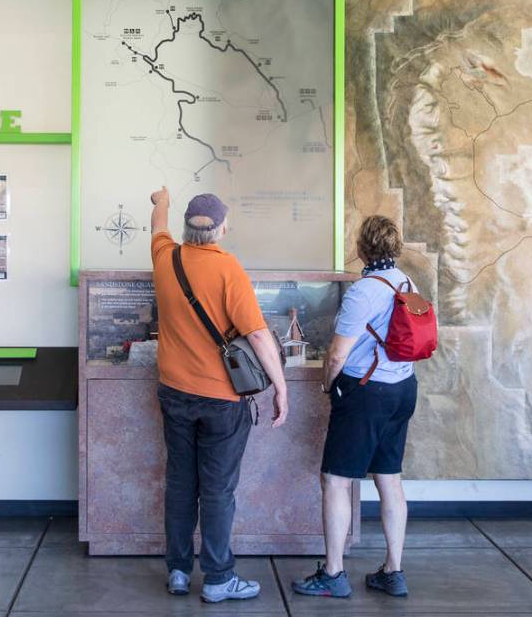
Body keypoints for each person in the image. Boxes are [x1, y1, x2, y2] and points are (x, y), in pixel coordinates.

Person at [149, 186, 289, 603]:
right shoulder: (229, 269)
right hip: (221, 401)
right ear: (222, 229)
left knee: (179, 483)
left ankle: (177, 570)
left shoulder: (164, 257)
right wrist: (280, 387)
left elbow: (157, 226)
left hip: (173, 392)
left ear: (187, 229)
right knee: (217, 490)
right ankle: (217, 579)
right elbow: (259, 336)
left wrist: (162, 201)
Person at [292, 215, 418, 599]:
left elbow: (336, 356)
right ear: (394, 247)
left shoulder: (364, 291)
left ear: (362, 248)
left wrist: (328, 386)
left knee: (336, 480)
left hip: (366, 393)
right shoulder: (407, 283)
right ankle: (393, 572)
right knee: (389, 477)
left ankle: (333, 573)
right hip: (403, 390)